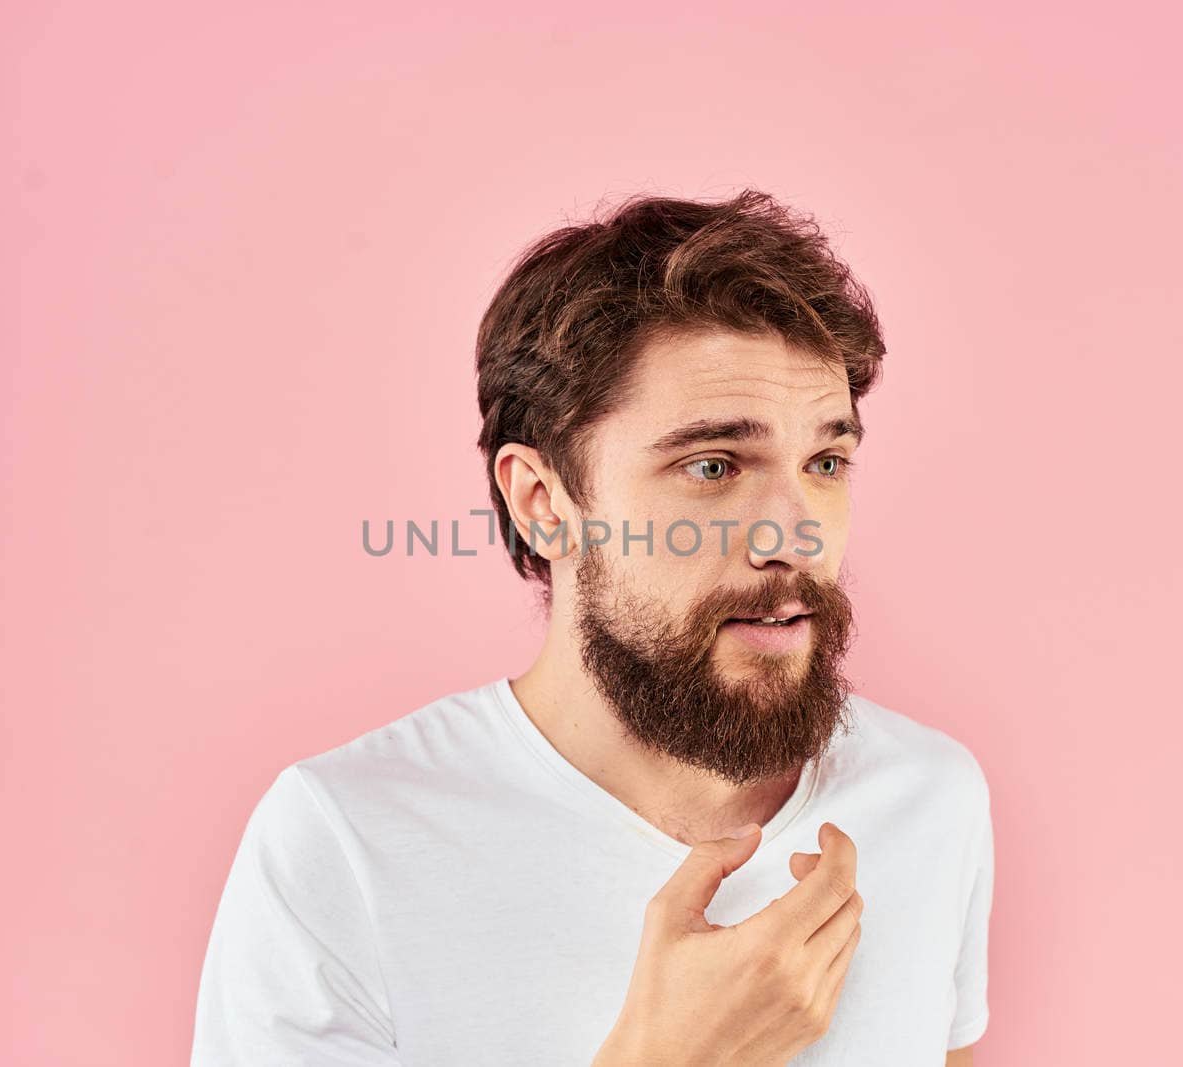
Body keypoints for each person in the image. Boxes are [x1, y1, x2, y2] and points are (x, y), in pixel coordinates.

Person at [190, 190, 993, 1066]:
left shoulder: (932, 797)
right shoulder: (346, 840)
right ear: (543, 502)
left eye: (826, 461)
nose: (795, 536)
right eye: (714, 465)